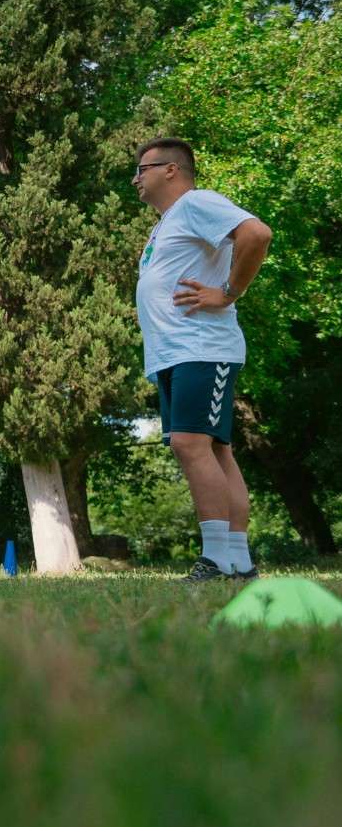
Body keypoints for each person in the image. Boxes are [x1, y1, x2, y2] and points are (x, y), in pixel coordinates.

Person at [132, 136, 273, 582]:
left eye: (142, 169)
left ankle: (215, 559)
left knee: (189, 444)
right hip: (176, 353)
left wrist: (229, 292)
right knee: (214, 449)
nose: (135, 180)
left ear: (171, 169)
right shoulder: (169, 221)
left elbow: (257, 234)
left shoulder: (196, 203)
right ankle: (239, 562)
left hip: (201, 347)